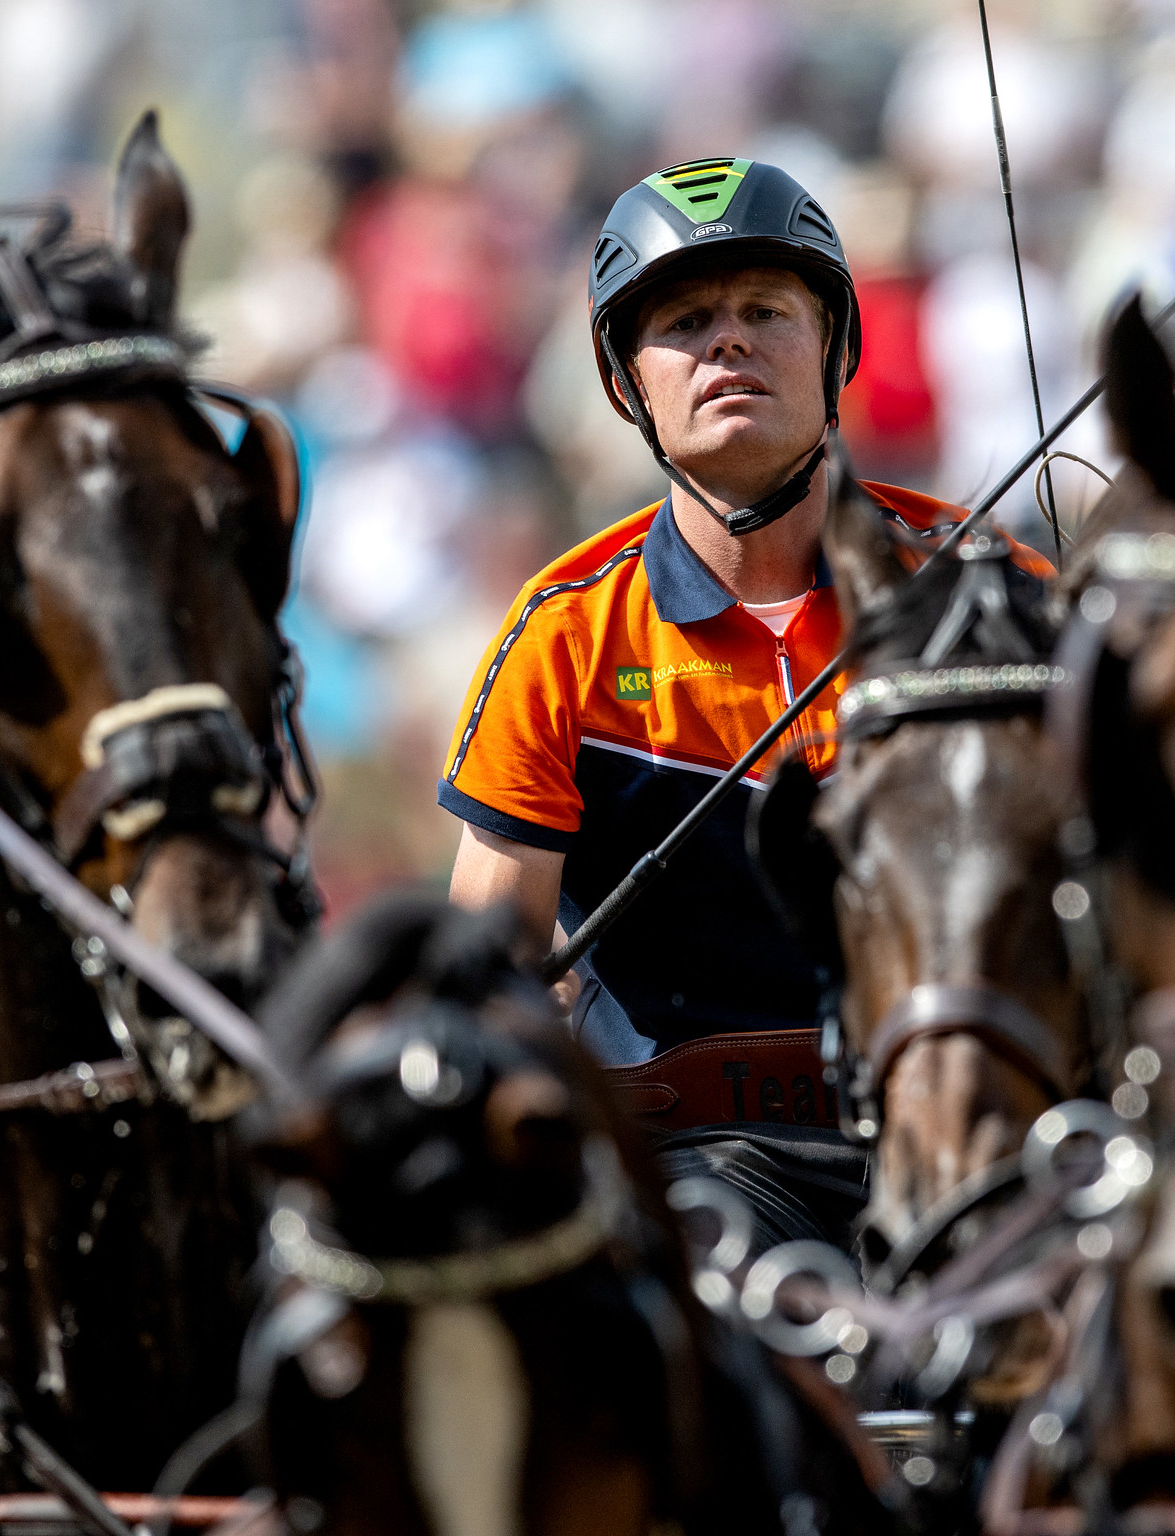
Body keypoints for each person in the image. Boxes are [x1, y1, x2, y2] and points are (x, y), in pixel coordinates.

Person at [438, 157, 1047, 1250]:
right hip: (694, 1176)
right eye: (683, 320)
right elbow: (485, 973)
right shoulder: (562, 636)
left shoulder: (992, 590)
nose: (728, 342)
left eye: (766, 310)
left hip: (981, 1141)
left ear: (837, 349)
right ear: (626, 384)